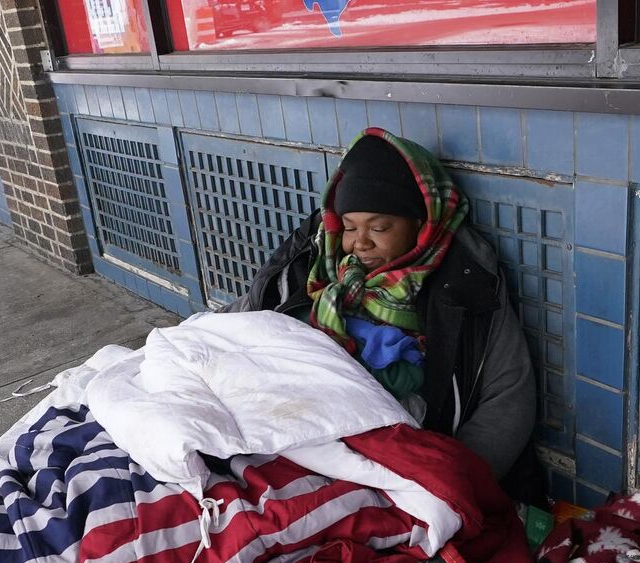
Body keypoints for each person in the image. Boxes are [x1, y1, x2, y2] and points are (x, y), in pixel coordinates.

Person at [225, 127, 541, 502]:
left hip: (395, 463)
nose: (361, 242)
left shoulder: (464, 284)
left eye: (380, 227)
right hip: (290, 432)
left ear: (421, 226)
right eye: (349, 228)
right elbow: (241, 321)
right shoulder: (315, 264)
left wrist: (450, 486)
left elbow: (509, 396)